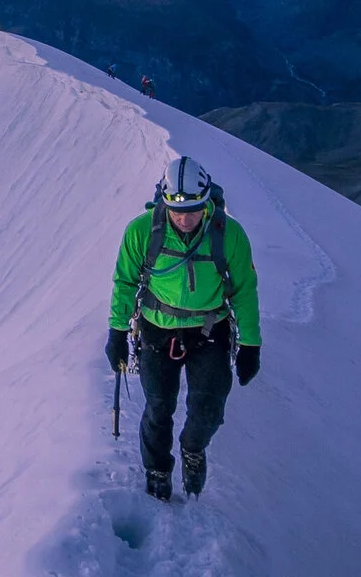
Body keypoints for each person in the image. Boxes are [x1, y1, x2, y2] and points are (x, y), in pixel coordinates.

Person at [104, 155, 260, 501]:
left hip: (210, 330)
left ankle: (193, 448)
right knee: (159, 406)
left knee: (209, 407)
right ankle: (158, 471)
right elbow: (125, 282)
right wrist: (116, 331)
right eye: (177, 209)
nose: (185, 218)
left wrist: (250, 344)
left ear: (207, 203)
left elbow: (245, 289)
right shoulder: (142, 231)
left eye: (194, 209)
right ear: (164, 200)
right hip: (157, 330)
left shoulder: (228, 234)